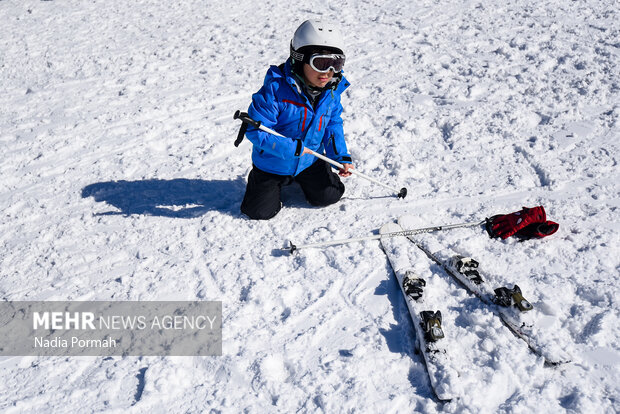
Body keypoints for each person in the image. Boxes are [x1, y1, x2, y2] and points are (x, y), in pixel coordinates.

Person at [240, 20, 354, 220]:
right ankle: (265, 184)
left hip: (309, 160)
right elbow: (256, 130)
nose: (327, 72)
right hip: (273, 163)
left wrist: (339, 155)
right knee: (258, 212)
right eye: (320, 63)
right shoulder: (275, 90)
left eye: (335, 64)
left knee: (330, 195)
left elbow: (332, 123)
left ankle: (309, 178)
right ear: (299, 59)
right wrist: (289, 148)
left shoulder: (331, 91)